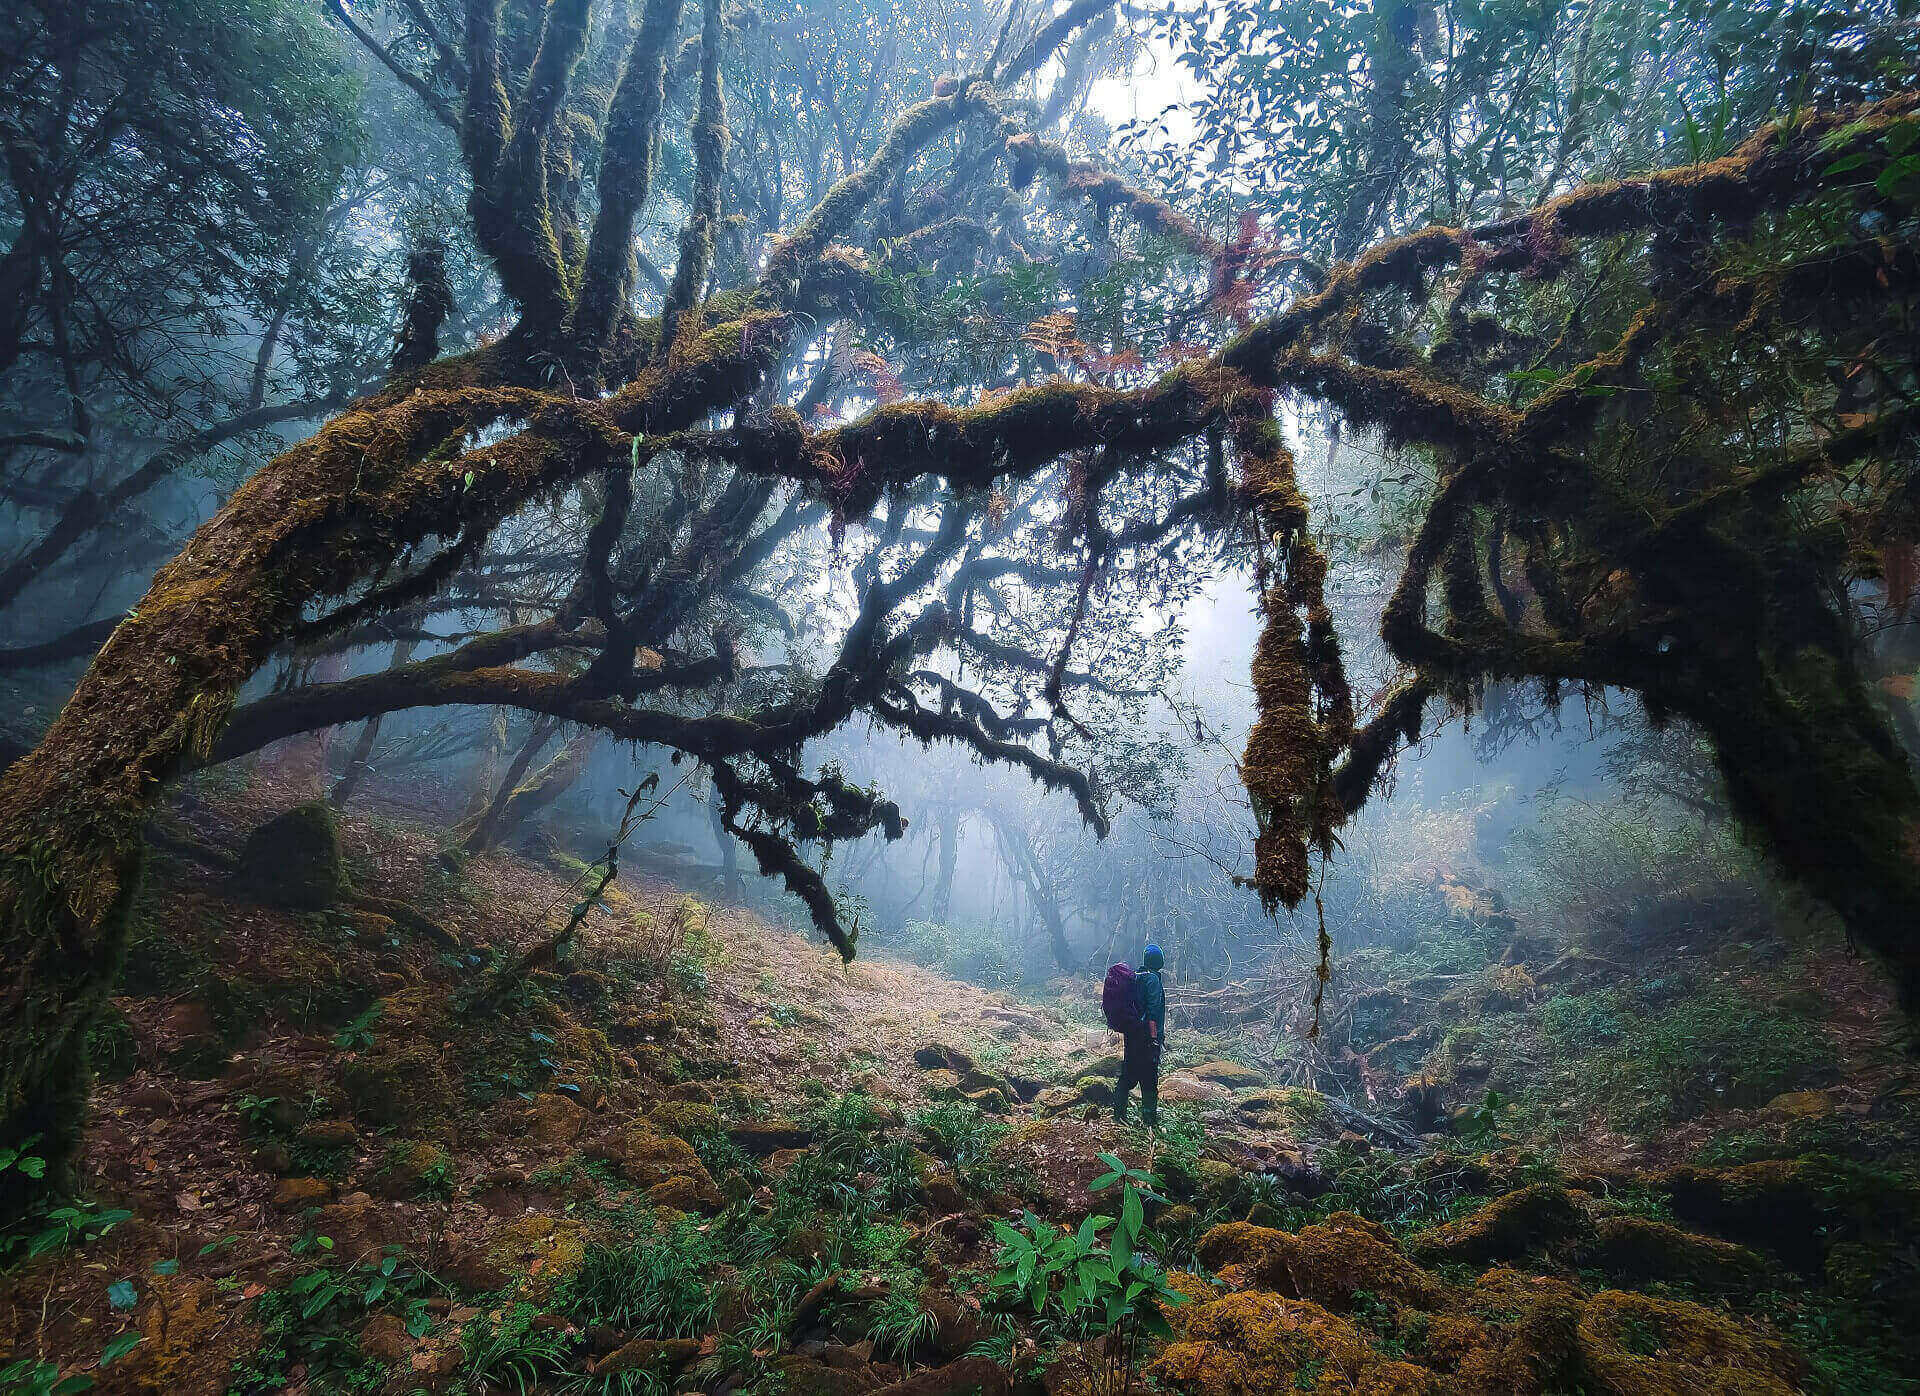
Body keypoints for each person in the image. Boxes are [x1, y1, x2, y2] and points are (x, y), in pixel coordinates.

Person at [1114, 943, 1165, 1127]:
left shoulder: (1136, 977)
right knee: (1149, 1081)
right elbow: (1152, 1012)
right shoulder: (1153, 980)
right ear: (1158, 961)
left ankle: (1119, 1116)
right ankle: (1149, 1122)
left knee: (1128, 1076)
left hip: (1132, 1035)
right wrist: (1153, 1040)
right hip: (1146, 1037)